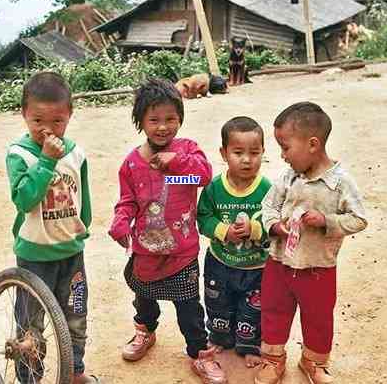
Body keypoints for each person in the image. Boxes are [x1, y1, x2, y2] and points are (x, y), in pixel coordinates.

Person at [108, 78, 227, 384]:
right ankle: (144, 332)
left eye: (170, 119)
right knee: (143, 298)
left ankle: (200, 353)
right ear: (140, 121)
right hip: (146, 249)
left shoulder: (188, 151)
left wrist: (178, 163)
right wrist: (121, 220)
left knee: (189, 306)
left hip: (182, 250)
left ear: (180, 118)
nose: (163, 127)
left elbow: (202, 177)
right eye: (154, 120)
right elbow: (129, 200)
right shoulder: (132, 163)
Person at [254, 102, 368, 384]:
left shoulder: (340, 183)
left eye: (285, 147)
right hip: (279, 263)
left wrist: (328, 221)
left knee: (318, 319)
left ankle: (313, 362)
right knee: (273, 311)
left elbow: (359, 219)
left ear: (313, 144)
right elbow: (267, 206)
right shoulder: (287, 177)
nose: (282, 155)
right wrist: (274, 226)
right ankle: (273, 360)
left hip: (318, 268)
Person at [5, 71, 99, 384]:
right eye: (38, 121)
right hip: (34, 254)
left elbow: (81, 193)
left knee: (75, 316)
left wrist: (83, 224)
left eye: (57, 121)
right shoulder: (19, 154)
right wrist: (45, 161)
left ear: (70, 115)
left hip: (71, 250)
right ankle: (29, 377)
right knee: (30, 324)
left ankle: (75, 371)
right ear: (24, 116)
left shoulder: (76, 152)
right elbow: (25, 199)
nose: (47, 130)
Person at [197, 116, 272, 368]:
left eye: (255, 152)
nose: (247, 159)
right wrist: (222, 230)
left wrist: (255, 229)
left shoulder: (268, 189)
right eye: (238, 152)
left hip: (256, 267)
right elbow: (203, 217)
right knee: (218, 303)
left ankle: (249, 345)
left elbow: (276, 223)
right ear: (224, 153)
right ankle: (220, 337)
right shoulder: (214, 187)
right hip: (220, 262)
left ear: (263, 152)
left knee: (253, 309)